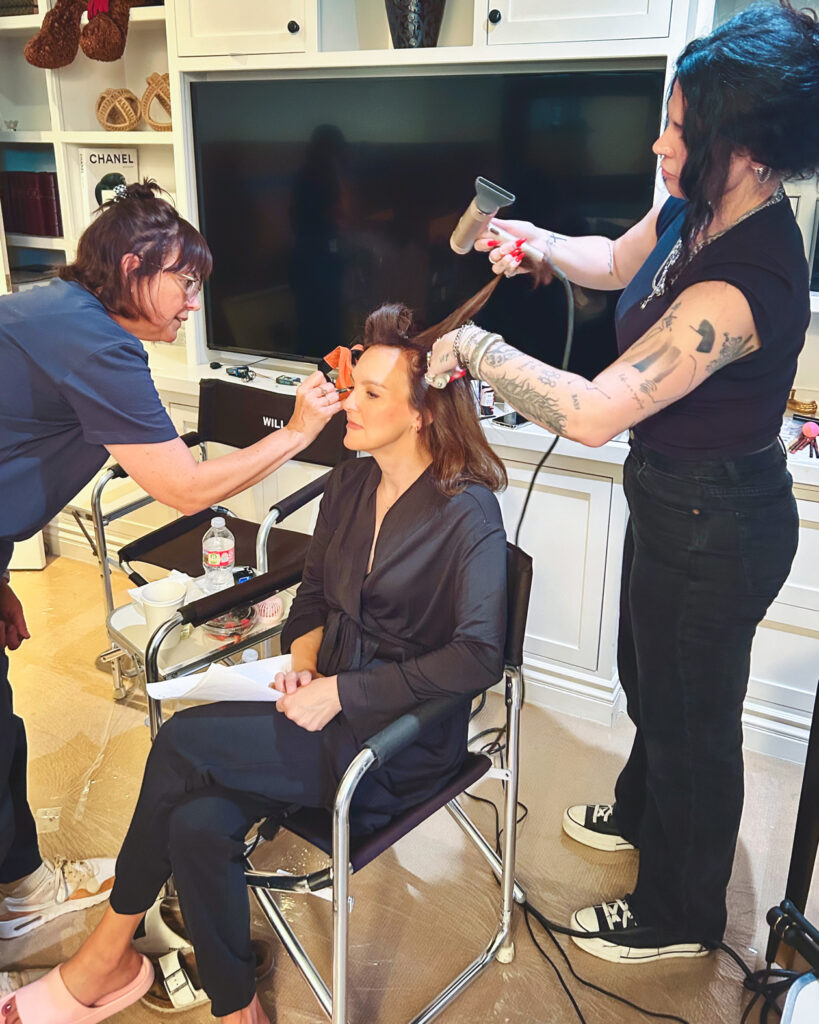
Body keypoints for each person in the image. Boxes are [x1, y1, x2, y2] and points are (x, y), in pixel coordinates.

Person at [428, 0, 819, 965]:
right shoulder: (698, 203)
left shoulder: (750, 278)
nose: (660, 141)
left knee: (694, 722)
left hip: (719, 520)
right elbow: (611, 261)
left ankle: (680, 916)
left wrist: (472, 346)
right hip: (672, 497)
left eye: (681, 129)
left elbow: (598, 410)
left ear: (750, 146)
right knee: (651, 682)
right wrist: (536, 241)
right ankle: (644, 814)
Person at [2, 303, 508, 1024]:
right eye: (351, 383)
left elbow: (478, 657)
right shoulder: (351, 484)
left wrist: (342, 692)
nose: (346, 403)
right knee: (197, 821)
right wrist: (304, 665)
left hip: (394, 748)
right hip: (317, 716)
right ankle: (237, 1008)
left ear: (424, 413)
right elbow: (311, 602)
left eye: (369, 393)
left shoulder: (467, 512)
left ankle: (101, 958)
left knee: (182, 741)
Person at [0, 181, 341, 945]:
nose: (193, 302)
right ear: (131, 267)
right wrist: (297, 432)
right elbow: (183, 489)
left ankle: (19, 883)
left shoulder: (62, 314)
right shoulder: (92, 339)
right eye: (184, 283)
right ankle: (18, 905)